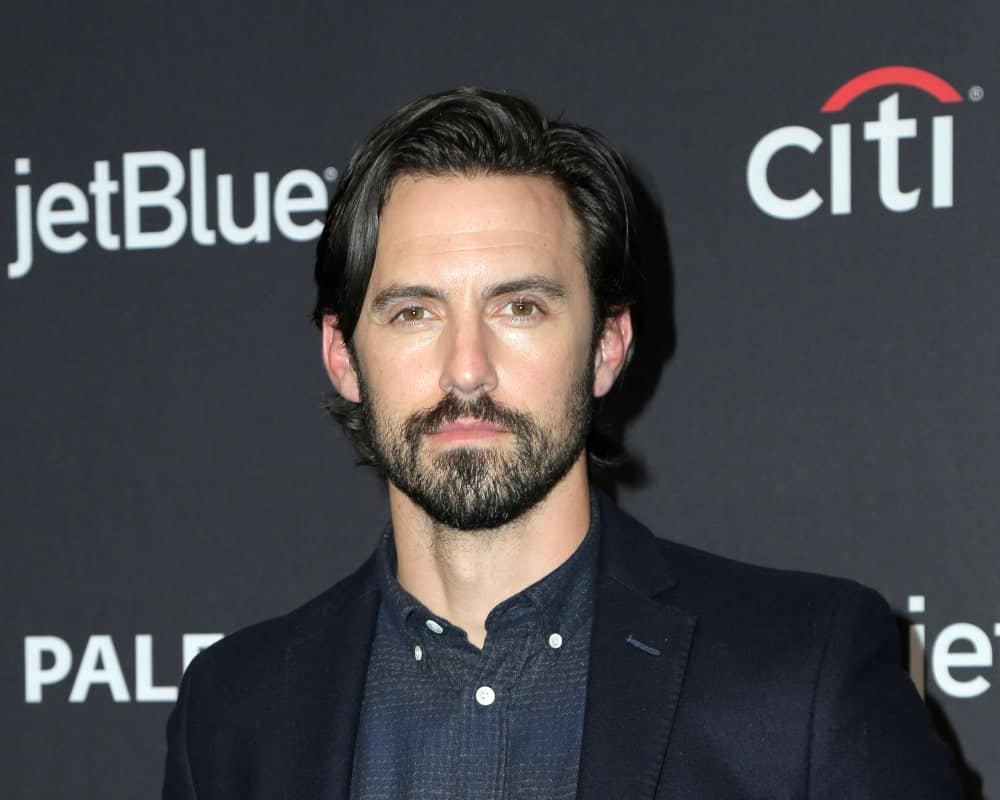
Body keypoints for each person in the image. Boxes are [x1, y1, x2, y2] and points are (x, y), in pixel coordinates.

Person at [161, 88, 961, 799]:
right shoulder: (234, 712)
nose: (466, 368)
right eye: (415, 313)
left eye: (521, 308)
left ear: (608, 347)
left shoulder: (804, 673)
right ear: (344, 357)